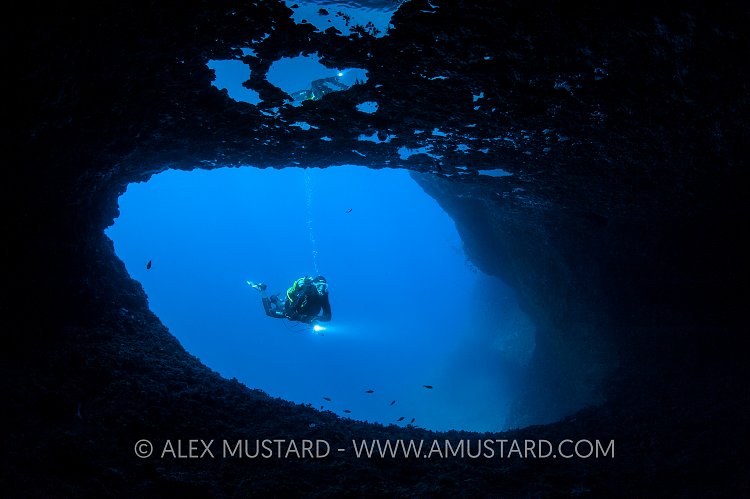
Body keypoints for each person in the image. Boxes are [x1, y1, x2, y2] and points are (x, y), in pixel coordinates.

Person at [249, 276, 332, 325]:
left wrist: (317, 318)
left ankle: (275, 300)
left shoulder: (324, 295)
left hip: (307, 314)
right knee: (269, 312)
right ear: (313, 285)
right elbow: (290, 312)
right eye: (319, 286)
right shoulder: (305, 293)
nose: (322, 289)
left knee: (281, 304)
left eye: (324, 286)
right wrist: (303, 318)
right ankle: (262, 290)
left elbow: (328, 316)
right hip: (292, 309)